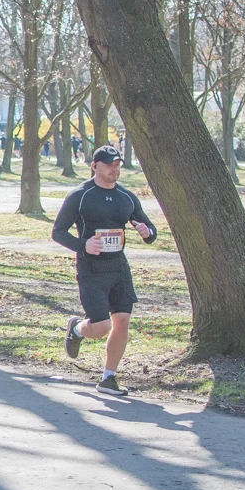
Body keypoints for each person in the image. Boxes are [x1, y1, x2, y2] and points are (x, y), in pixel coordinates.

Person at [53, 145, 157, 396]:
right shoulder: (80, 196)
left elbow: (150, 230)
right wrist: (83, 245)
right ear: (94, 166)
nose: (114, 169)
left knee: (122, 321)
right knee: (100, 327)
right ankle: (77, 329)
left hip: (119, 268)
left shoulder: (126, 197)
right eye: (110, 165)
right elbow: (58, 232)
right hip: (91, 269)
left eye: (117, 165)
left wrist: (147, 232)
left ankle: (108, 378)